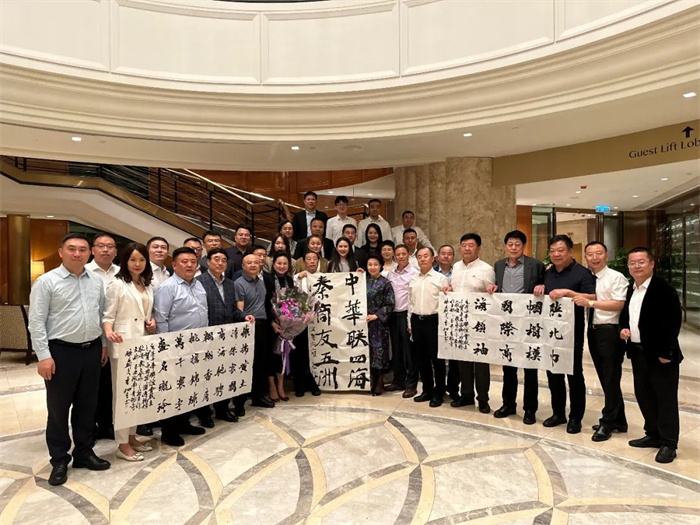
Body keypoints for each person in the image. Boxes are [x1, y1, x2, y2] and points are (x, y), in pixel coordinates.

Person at [28, 233, 111, 486]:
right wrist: (43, 356)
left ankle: (84, 452)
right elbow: (36, 322)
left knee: (87, 405)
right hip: (60, 353)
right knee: (58, 409)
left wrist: (103, 345)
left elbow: (100, 315)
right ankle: (59, 459)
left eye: (82, 250)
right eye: (72, 249)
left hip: (91, 350)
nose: (77, 254)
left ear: (89, 253)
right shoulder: (46, 282)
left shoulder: (96, 281)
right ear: (61, 252)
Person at [620, 247, 683, 464]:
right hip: (639, 353)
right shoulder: (632, 289)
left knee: (665, 399)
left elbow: (674, 322)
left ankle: (669, 443)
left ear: (652, 264)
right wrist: (623, 328)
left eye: (641, 262)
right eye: (632, 263)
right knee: (644, 395)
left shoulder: (663, 289)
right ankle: (653, 434)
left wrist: (666, 352)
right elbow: (627, 316)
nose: (636, 266)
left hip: (660, 355)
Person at [103, 243, 156, 461]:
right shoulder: (117, 284)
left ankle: (132, 437)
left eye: (141, 260)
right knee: (123, 397)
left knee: (137, 394)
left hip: (143, 345)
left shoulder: (146, 284)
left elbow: (145, 314)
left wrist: (151, 323)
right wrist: (108, 332)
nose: (137, 264)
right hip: (123, 345)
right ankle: (122, 443)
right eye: (133, 259)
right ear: (125, 261)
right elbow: (108, 316)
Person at [572, 241, 629, 441]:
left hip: (610, 332)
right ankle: (619, 420)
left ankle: (607, 422)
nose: (594, 258)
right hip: (594, 331)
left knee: (611, 378)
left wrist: (590, 302)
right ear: (585, 257)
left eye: (599, 253)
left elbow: (618, 304)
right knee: (606, 378)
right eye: (590, 254)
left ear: (607, 255)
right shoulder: (589, 277)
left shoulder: (616, 277)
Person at [486, 231, 545, 425]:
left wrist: (542, 287)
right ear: (505, 246)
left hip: (528, 322)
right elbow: (497, 287)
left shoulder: (536, 265)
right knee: (508, 366)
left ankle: (530, 409)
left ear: (524, 246)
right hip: (507, 323)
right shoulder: (498, 265)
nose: (513, 247)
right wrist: (493, 288)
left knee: (530, 367)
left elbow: (544, 285)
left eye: (517, 244)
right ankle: (508, 404)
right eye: (510, 244)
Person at [153, 247, 209, 447]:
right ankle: (169, 431)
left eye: (193, 261)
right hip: (175, 348)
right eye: (184, 262)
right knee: (173, 389)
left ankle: (184, 423)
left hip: (197, 345)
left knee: (189, 386)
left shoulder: (199, 285)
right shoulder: (168, 287)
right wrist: (167, 349)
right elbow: (161, 319)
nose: (189, 265)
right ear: (175, 265)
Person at [543, 234, 596, 434]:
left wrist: (567, 292)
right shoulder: (547, 272)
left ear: (570, 252)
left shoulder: (582, 273)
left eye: (560, 250)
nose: (556, 254)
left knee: (574, 375)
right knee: (553, 373)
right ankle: (558, 413)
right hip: (549, 331)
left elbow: (591, 297)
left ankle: (576, 417)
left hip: (572, 332)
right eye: (552, 251)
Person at [197, 248, 255, 425]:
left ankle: (222, 409)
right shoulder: (199, 282)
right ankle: (204, 413)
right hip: (207, 337)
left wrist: (244, 316)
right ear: (208, 262)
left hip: (226, 338)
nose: (220, 263)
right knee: (205, 376)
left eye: (223, 260)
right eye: (216, 259)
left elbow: (232, 310)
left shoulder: (230, 284)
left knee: (223, 374)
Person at [448, 233, 496, 413]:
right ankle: (466, 395)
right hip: (459, 320)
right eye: (464, 245)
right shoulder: (456, 267)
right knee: (463, 360)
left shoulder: (486, 269)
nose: (467, 249)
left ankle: (483, 398)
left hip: (479, 323)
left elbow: (492, 295)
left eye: (471, 245)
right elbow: (454, 289)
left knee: (480, 361)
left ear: (479, 248)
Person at [85, 232, 119, 441]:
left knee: (110, 385)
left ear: (116, 251)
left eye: (110, 246)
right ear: (93, 250)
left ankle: (107, 424)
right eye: (101, 246)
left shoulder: (122, 273)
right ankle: (88, 428)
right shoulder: (85, 272)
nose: (105, 250)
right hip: (93, 337)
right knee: (90, 388)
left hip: (118, 337)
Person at [235, 254, 277, 409]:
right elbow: (239, 309)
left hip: (263, 324)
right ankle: (239, 402)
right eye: (249, 263)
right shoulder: (239, 283)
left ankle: (258, 396)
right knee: (246, 363)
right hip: (249, 325)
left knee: (261, 363)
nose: (253, 265)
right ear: (243, 266)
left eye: (255, 262)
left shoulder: (260, 282)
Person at [408, 247, 449, 407]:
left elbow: (445, 304)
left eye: (426, 256)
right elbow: (410, 303)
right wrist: (409, 323)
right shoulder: (413, 279)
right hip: (417, 321)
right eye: (419, 256)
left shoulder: (441, 279)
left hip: (434, 321)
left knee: (437, 359)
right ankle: (427, 390)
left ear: (433, 259)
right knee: (421, 358)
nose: (422, 259)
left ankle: (439, 392)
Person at [386, 244, 419, 397]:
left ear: (408, 255)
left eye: (403, 254)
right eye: (398, 254)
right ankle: (398, 380)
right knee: (396, 349)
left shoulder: (414, 273)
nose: (400, 256)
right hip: (393, 315)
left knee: (409, 351)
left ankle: (411, 384)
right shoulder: (391, 273)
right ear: (394, 256)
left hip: (407, 315)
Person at [292, 251, 323, 397]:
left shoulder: (324, 277)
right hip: (300, 322)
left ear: (318, 261)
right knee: (301, 353)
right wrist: (298, 279)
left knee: (316, 353)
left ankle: (314, 383)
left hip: (320, 321)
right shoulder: (297, 277)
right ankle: (299, 385)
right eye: (308, 259)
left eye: (314, 259)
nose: (312, 261)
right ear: (304, 262)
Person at [365, 254, 396, 396]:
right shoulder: (362, 281)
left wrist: (377, 315)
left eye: (375, 264)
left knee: (379, 352)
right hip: (364, 322)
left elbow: (390, 304)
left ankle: (379, 381)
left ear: (380, 266)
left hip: (378, 323)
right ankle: (369, 380)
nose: (372, 267)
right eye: (370, 264)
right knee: (366, 351)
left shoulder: (385, 283)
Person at [268, 252, 294, 403]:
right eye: (279, 263)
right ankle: (272, 386)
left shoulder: (289, 280)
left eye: (285, 263)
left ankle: (281, 386)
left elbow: (293, 302)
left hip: (286, 324)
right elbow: (266, 301)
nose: (282, 266)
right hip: (272, 324)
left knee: (283, 356)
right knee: (272, 356)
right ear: (273, 264)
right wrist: (272, 321)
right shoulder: (267, 279)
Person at [433, 244, 458, 400]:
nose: (446, 256)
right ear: (437, 256)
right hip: (435, 317)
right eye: (443, 253)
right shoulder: (431, 272)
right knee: (438, 356)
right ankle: (439, 387)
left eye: (449, 254)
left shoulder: (458, 273)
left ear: (453, 257)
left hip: (454, 318)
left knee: (454, 355)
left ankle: (453, 388)